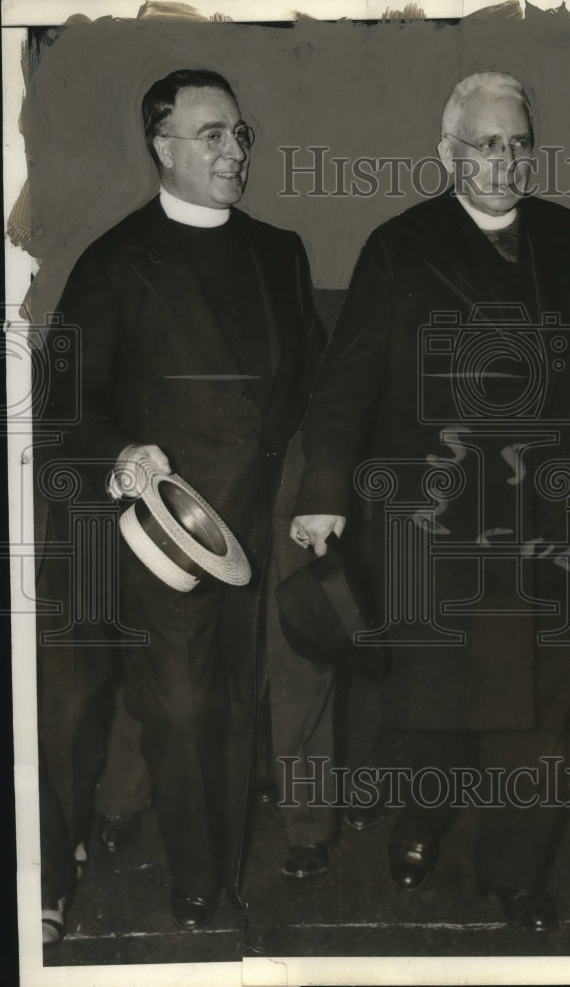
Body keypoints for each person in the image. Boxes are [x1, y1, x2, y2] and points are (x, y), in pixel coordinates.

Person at [291, 70, 570, 932]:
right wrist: (323, 493)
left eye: (519, 143)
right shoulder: (398, 244)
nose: (506, 160)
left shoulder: (563, 234)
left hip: (548, 516)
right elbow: (344, 384)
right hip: (440, 516)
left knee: (534, 703)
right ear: (448, 153)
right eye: (487, 144)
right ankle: (422, 815)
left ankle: (515, 873)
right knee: (437, 703)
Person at [45, 68, 325, 932]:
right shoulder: (115, 261)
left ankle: (231, 863)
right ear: (161, 147)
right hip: (166, 528)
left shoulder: (280, 251)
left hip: (260, 518)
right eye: (211, 134)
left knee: (241, 700)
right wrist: (121, 451)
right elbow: (65, 402)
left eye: (239, 133)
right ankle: (198, 879)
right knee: (181, 705)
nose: (234, 150)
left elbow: (311, 379)